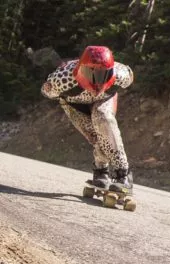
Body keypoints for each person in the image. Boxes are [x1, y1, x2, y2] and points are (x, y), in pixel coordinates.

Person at [41, 46, 134, 193]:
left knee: (104, 120)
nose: (97, 82)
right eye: (91, 74)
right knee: (97, 137)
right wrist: (49, 89)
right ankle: (101, 170)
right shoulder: (62, 80)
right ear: (81, 70)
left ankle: (123, 174)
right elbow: (47, 90)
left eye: (103, 74)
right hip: (75, 105)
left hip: (104, 99)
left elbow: (130, 74)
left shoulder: (121, 75)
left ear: (111, 71)